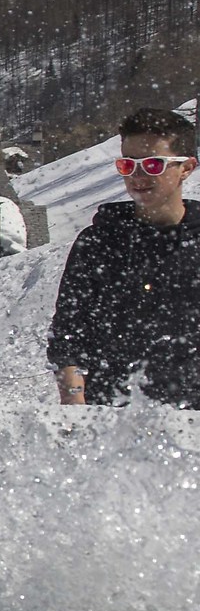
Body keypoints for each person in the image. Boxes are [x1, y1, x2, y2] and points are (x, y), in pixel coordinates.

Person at [49, 106, 200, 409]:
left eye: (153, 164)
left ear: (186, 167)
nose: (138, 176)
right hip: (112, 421)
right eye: (127, 164)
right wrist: (75, 403)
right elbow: (69, 334)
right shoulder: (99, 242)